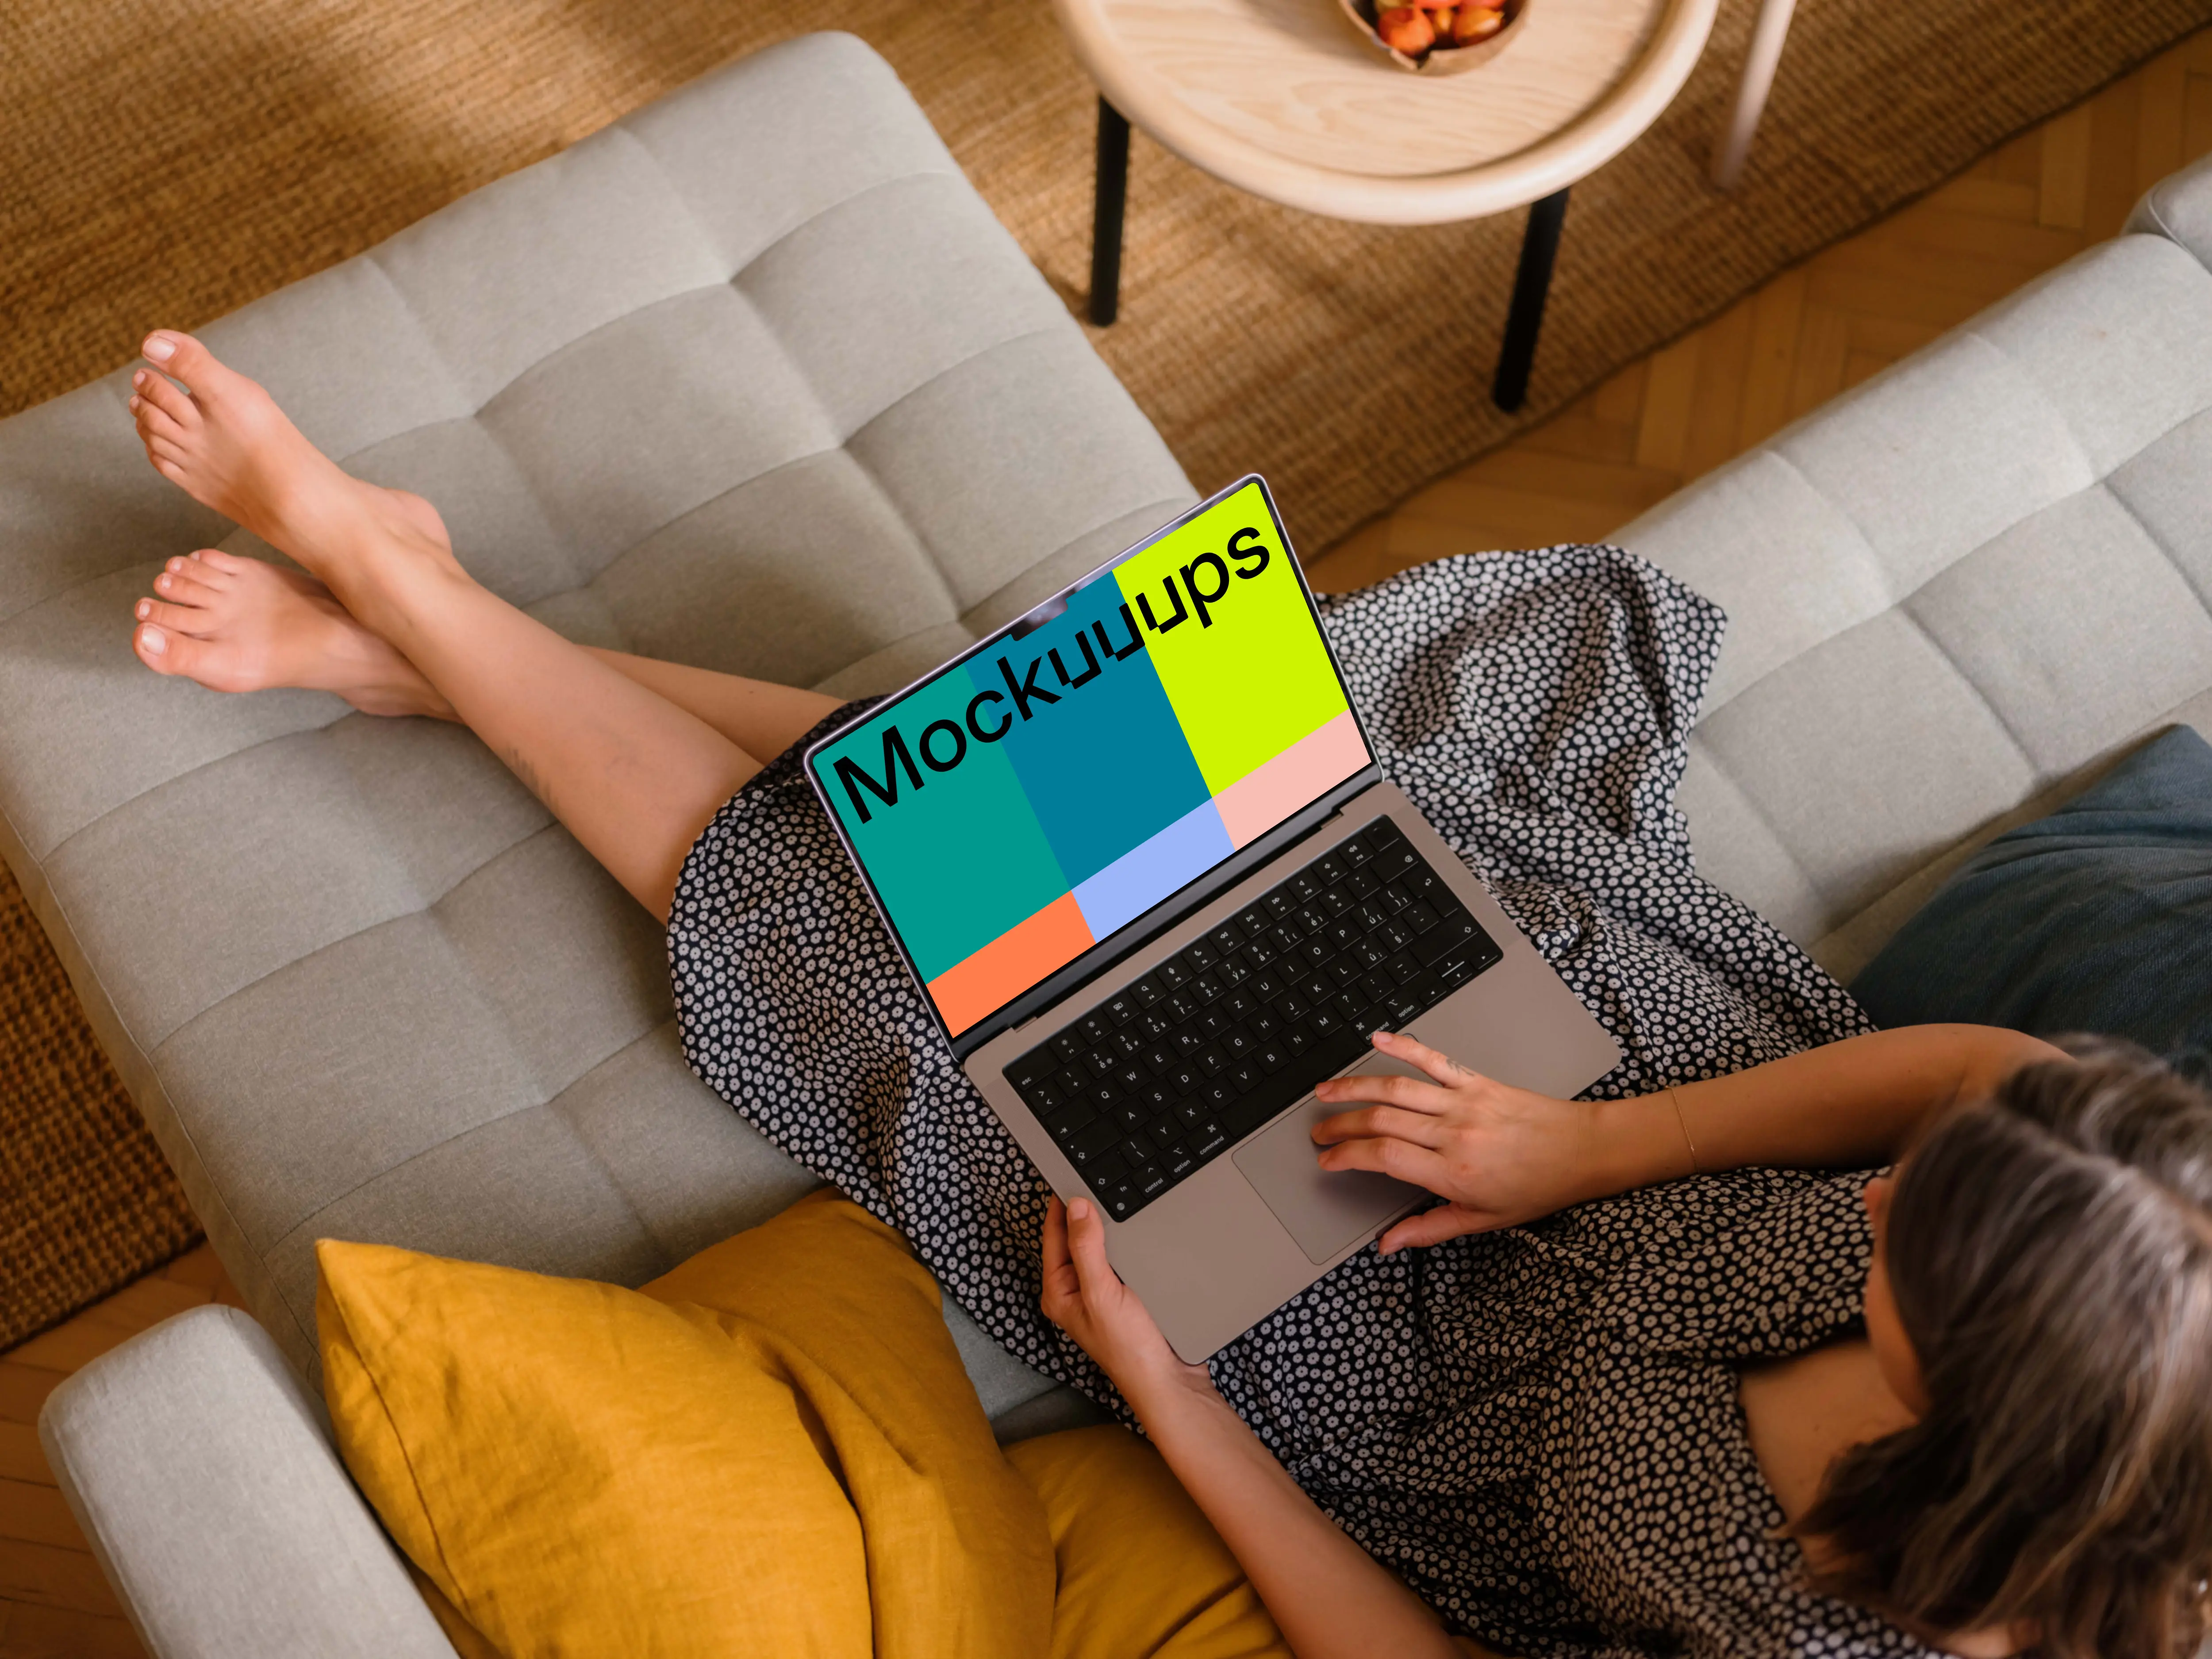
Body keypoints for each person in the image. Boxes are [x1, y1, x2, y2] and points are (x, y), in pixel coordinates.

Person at [121, 332, 2212, 1659]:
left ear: (1955, 1423)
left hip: (1391, 1384)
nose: (1874, 1200)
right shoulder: (2145, 1266)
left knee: (900, 966)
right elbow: (1962, 1073)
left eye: (1890, 1259)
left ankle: (409, 601)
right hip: (1603, 1106)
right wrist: (1578, 1136)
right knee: (1110, 799)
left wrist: (1180, 1397)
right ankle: (419, 623)